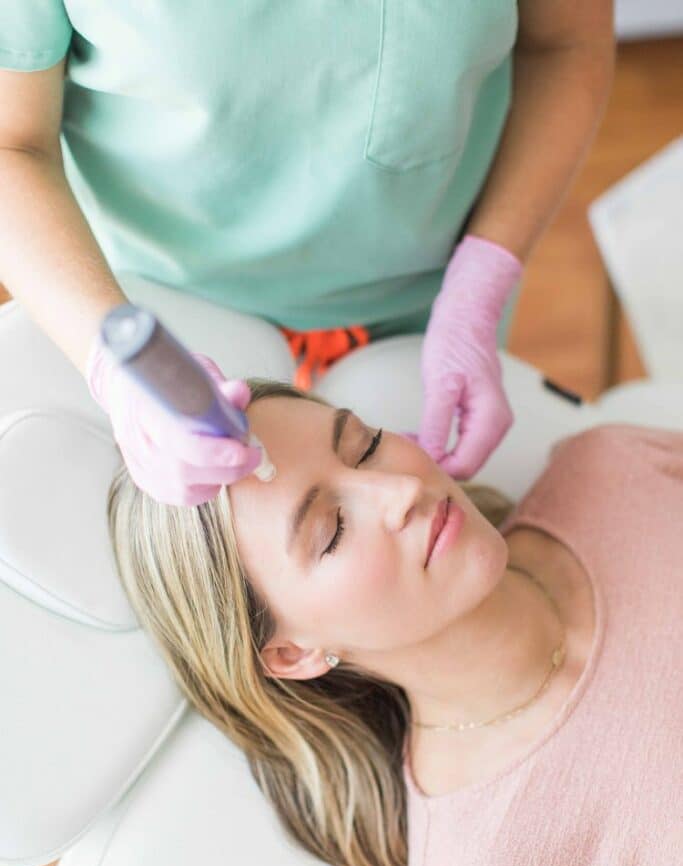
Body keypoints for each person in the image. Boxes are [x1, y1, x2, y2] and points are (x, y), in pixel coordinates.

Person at [106, 362, 683, 866]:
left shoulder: (609, 471)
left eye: (366, 444)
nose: (397, 490)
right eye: (331, 532)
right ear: (292, 653)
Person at [0, 2, 615, 505]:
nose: (400, 504)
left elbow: (566, 45)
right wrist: (113, 361)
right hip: (163, 311)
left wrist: (485, 273)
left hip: (436, 282)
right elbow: (11, 146)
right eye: (328, 532)